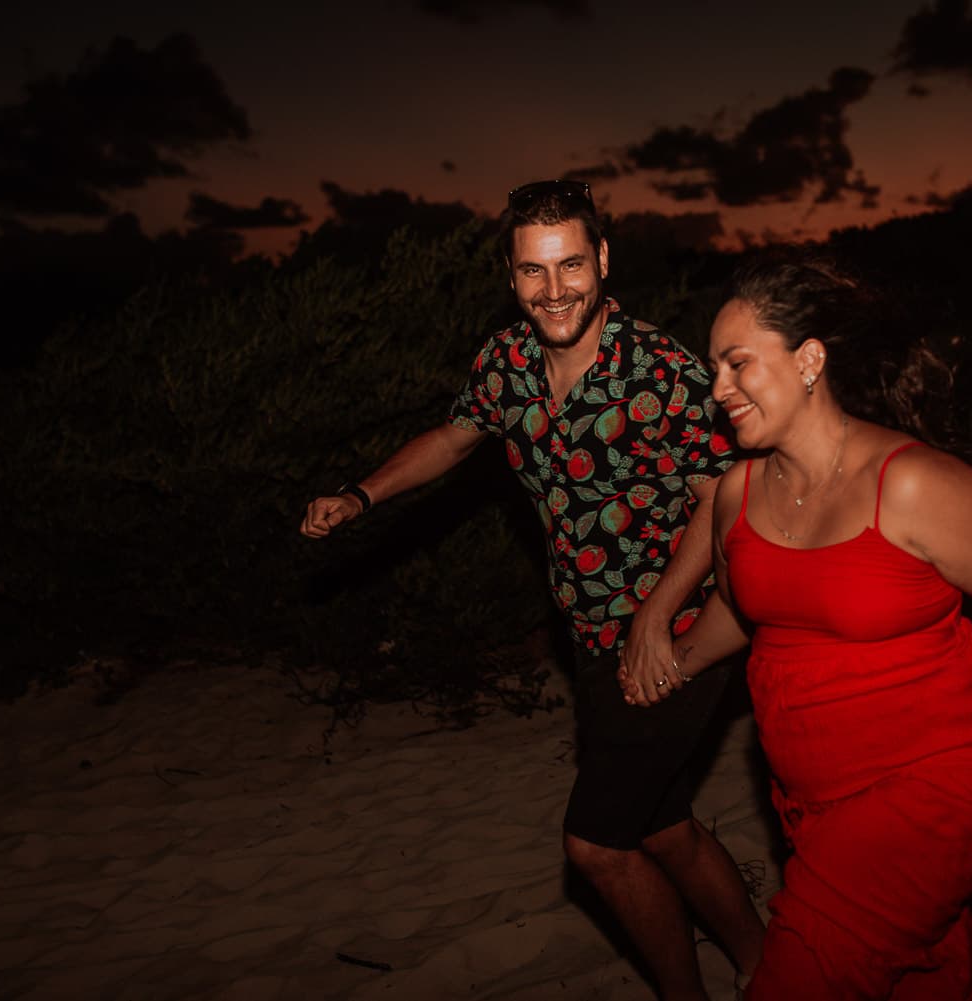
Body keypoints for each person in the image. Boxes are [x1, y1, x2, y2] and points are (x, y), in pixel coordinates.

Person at [620, 250, 972, 999]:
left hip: (939, 781)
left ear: (809, 358)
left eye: (736, 363)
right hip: (816, 797)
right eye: (712, 368)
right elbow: (749, 611)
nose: (717, 388)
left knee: (803, 975)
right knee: (926, 973)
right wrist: (674, 662)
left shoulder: (913, 485)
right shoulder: (737, 492)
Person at [299, 180, 765, 999]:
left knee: (595, 845)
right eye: (534, 271)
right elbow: (452, 439)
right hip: (590, 640)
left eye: (572, 265)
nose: (555, 290)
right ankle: (767, 963)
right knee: (661, 826)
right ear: (511, 277)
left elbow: (722, 508)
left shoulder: (659, 371)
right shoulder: (506, 361)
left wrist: (657, 617)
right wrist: (362, 495)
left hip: (685, 637)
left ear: (604, 260)